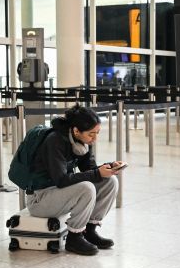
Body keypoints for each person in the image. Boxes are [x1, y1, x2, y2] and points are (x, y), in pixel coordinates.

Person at [28, 105, 122, 255]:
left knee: (110, 182)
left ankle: (89, 231)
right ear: (76, 130)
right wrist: (97, 173)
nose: (95, 138)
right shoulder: (54, 141)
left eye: (97, 133)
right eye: (91, 134)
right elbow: (61, 180)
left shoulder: (82, 141)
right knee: (86, 188)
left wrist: (108, 167)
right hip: (40, 199)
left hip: (60, 194)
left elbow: (89, 169)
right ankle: (74, 237)